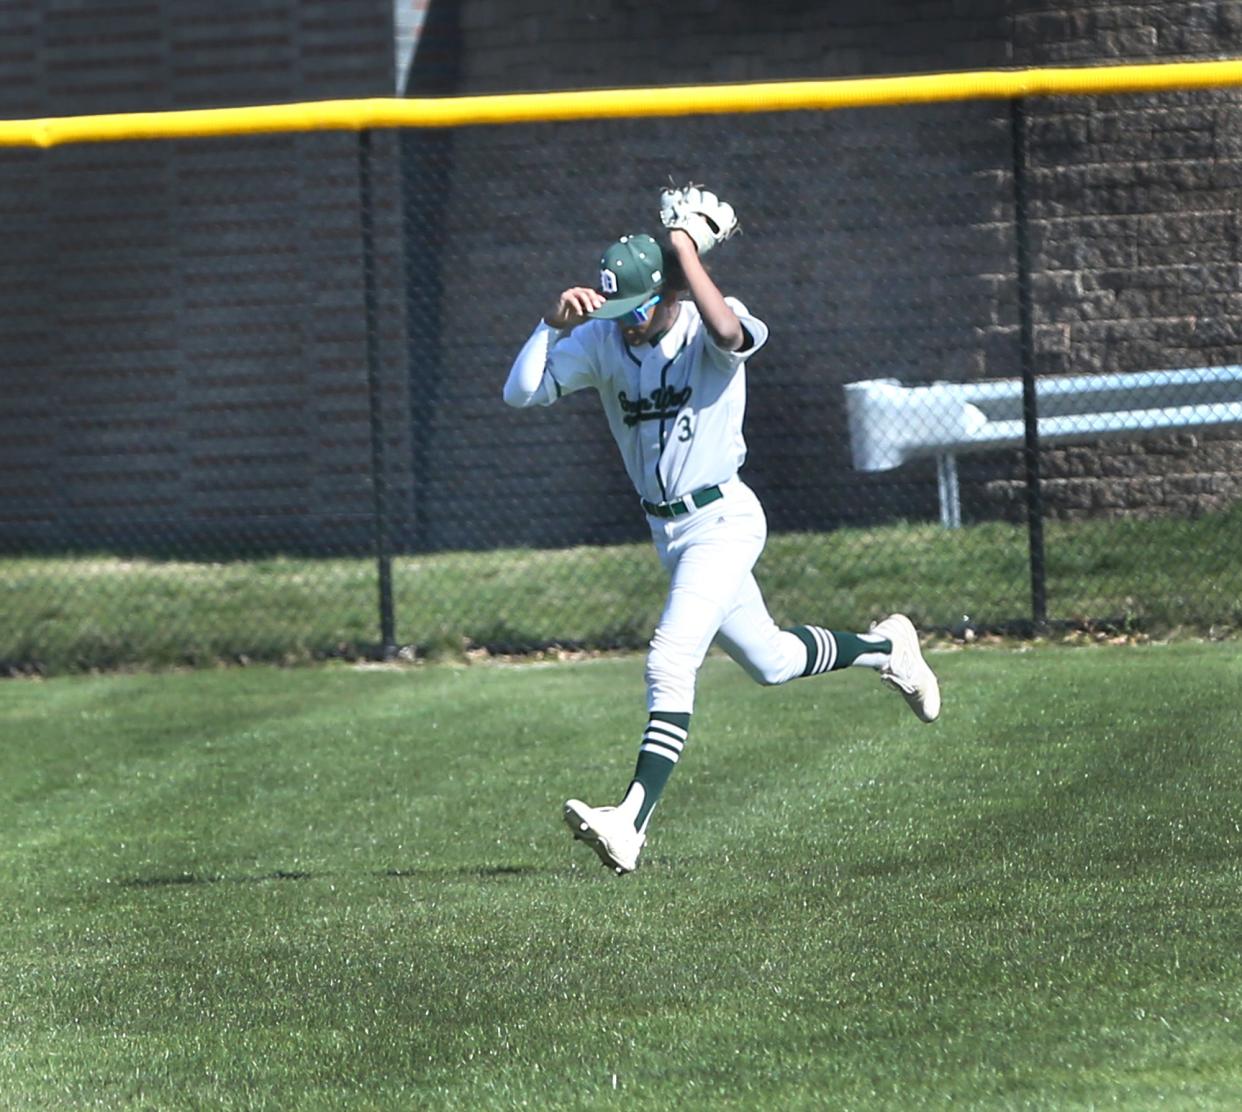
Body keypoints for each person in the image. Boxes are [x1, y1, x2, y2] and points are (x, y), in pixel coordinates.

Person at [502, 185, 940, 875]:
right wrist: (548, 325)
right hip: (670, 536)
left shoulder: (710, 322)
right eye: (613, 311)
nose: (623, 325)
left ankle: (630, 822)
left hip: (724, 520)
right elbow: (519, 391)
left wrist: (683, 249)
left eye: (635, 309)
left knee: (669, 659)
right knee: (769, 661)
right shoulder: (605, 337)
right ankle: (889, 648)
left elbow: (731, 336)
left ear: (670, 294)